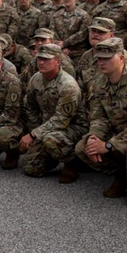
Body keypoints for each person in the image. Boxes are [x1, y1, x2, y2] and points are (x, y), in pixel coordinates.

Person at [75, 38, 127, 206]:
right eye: (99, 58)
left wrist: (108, 146)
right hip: (118, 135)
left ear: (121, 57)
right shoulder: (98, 84)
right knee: (83, 148)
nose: (102, 62)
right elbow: (99, 117)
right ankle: (122, 175)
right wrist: (94, 137)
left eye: (107, 58)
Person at [19, 43, 87, 182]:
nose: (41, 62)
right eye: (39, 59)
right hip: (48, 126)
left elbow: (61, 120)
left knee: (51, 140)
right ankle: (52, 155)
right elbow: (30, 106)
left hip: (74, 127)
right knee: (31, 168)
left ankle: (72, 161)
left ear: (58, 61)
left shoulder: (67, 85)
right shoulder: (36, 78)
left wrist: (34, 134)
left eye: (47, 59)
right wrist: (35, 129)